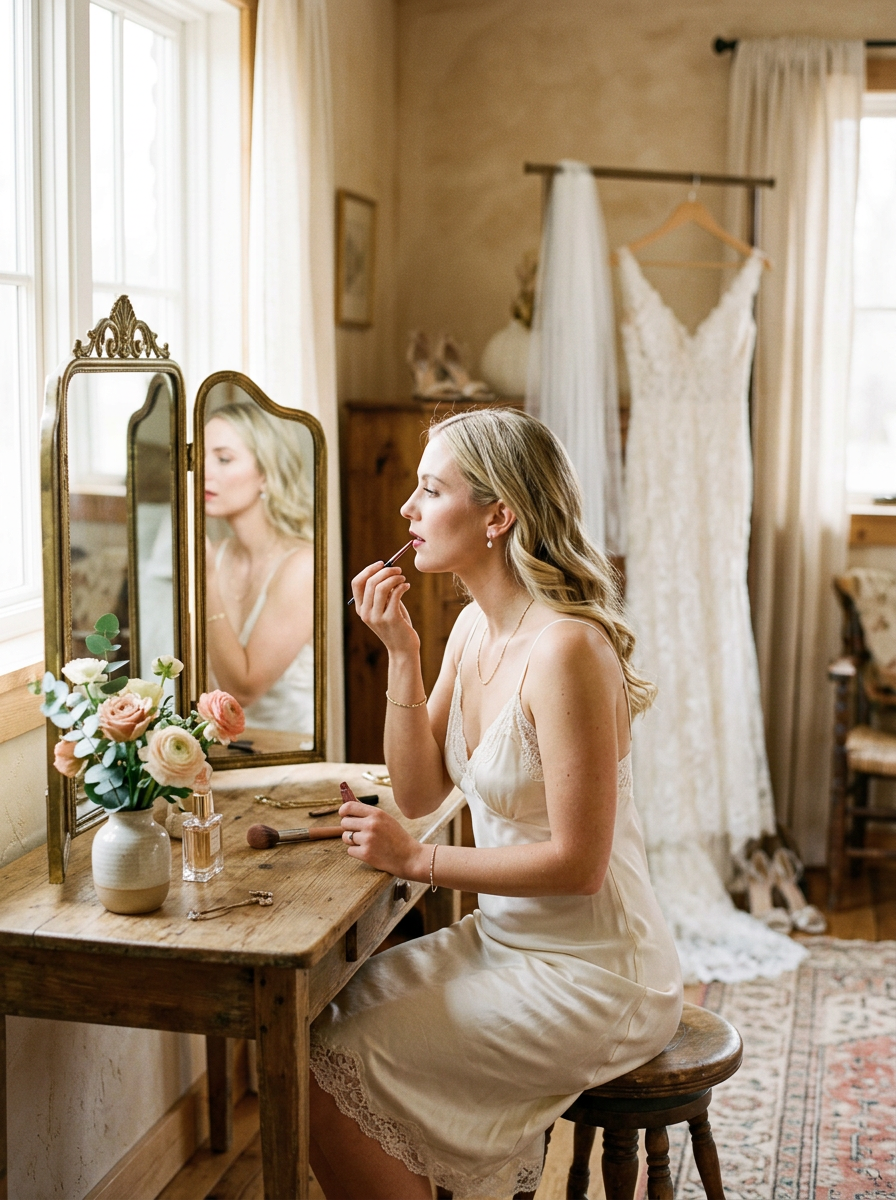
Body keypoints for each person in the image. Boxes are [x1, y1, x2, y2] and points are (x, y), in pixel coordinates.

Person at [309, 408, 682, 1199]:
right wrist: (401, 656)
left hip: (598, 970)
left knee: (349, 1064)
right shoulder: (474, 628)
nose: (407, 508)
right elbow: (418, 790)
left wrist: (417, 861)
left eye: (429, 488)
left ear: (497, 514)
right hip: (505, 943)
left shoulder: (569, 649)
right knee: (315, 1035)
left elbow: (581, 867)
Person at [204, 400, 314, 735]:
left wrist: (205, 577)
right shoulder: (217, 554)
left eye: (223, 459)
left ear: (265, 474)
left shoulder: (301, 566)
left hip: (287, 754)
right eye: (200, 457)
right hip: (218, 750)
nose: (205, 471)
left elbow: (243, 691)